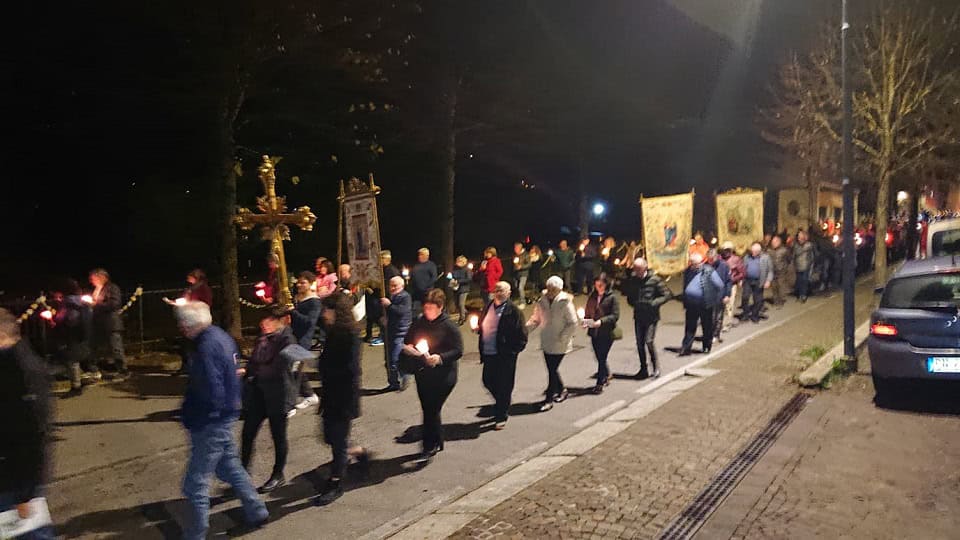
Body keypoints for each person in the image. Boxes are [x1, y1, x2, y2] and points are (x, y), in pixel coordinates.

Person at [175, 301, 267, 540]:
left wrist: (202, 416)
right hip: (224, 416)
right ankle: (257, 510)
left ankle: (195, 533)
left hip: (210, 421)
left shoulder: (205, 346)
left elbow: (210, 388)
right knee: (231, 467)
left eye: (182, 324)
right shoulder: (220, 337)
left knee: (196, 483)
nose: (180, 328)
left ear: (188, 325)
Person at [0, 308, 55, 540]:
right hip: (11, 477)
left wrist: (26, 494)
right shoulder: (9, 364)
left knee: (30, 534)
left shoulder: (23, 371)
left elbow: (34, 434)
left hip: (16, 482)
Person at [315, 293, 368, 505]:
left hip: (344, 395)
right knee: (329, 437)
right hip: (330, 393)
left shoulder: (350, 334)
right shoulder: (332, 331)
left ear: (337, 311)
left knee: (337, 441)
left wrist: (327, 368)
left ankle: (335, 483)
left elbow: (352, 368)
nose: (323, 314)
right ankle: (360, 453)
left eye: (326, 310)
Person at [401, 289, 463, 463]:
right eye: (425, 308)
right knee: (428, 408)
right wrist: (409, 348)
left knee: (431, 409)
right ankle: (438, 439)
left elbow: (458, 350)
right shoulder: (420, 322)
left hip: (444, 376)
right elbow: (408, 339)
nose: (427, 312)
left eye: (430, 308)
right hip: (424, 374)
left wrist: (440, 358)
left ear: (440, 307)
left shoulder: (449, 326)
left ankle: (429, 446)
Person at [240, 308, 297, 493]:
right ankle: (242, 473)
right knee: (248, 433)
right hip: (258, 394)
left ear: (283, 321)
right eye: (264, 320)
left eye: (270, 320)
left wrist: (257, 369)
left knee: (278, 436)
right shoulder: (264, 337)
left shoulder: (289, 341)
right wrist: (247, 371)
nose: (264, 324)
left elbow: (281, 368)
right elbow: (254, 361)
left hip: (277, 395)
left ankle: (278, 474)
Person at [477, 281, 528, 429]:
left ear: (508, 293)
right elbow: (483, 323)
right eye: (496, 290)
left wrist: (512, 352)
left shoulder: (513, 311)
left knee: (504, 385)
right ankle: (502, 401)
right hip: (488, 352)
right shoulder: (488, 306)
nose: (498, 293)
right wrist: (479, 329)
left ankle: (501, 415)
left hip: (504, 355)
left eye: (501, 290)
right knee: (487, 380)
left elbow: (522, 336)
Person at [525, 276, 577, 411]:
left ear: (559, 289)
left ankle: (548, 399)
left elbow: (572, 323)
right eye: (549, 288)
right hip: (547, 340)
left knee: (552, 370)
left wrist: (563, 337)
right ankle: (562, 390)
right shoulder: (542, 300)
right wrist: (525, 330)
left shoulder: (565, 302)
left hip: (560, 343)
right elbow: (536, 318)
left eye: (553, 289)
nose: (550, 291)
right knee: (552, 369)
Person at [622, 258, 671, 379]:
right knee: (639, 344)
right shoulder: (633, 280)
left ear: (644, 268)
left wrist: (654, 303)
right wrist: (633, 302)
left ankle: (656, 367)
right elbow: (630, 295)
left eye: (638, 269)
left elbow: (667, 294)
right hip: (638, 315)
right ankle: (643, 368)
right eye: (634, 269)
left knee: (649, 341)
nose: (636, 271)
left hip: (651, 316)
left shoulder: (654, 280)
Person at [289, 272, 322, 416]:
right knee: (296, 370)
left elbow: (309, 322)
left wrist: (293, 312)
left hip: (303, 339)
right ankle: (310, 395)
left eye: (303, 283)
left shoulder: (314, 302)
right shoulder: (298, 298)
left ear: (310, 284)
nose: (299, 285)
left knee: (293, 370)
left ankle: (290, 404)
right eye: (299, 282)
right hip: (293, 337)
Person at [680, 253, 725, 355]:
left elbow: (719, 284)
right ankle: (686, 347)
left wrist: (713, 295)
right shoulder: (688, 271)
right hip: (691, 304)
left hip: (705, 303)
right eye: (691, 263)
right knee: (690, 326)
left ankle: (706, 346)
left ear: (700, 263)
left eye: (694, 264)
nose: (692, 265)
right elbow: (685, 284)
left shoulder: (709, 271)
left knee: (706, 326)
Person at [583, 273, 619, 393]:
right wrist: (586, 321)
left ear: (606, 284)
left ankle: (600, 382)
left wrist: (602, 321)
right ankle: (606, 373)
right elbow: (588, 311)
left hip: (607, 332)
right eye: (597, 284)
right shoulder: (592, 296)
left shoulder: (612, 297)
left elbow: (615, 315)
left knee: (602, 356)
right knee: (598, 356)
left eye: (601, 284)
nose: (598, 287)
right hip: (594, 332)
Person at [88, 268, 127, 377]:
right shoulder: (96, 289)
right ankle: (95, 368)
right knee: (94, 346)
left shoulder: (112, 288)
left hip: (111, 323)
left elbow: (115, 304)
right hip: (98, 323)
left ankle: (122, 370)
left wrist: (96, 304)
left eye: (93, 278)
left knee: (116, 347)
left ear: (101, 277)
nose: (91, 281)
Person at [381, 276, 413, 391]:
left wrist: (389, 305)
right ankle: (393, 381)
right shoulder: (391, 297)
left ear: (402, 286)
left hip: (400, 330)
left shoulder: (405, 297)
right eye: (391, 285)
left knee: (394, 359)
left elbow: (401, 311)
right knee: (388, 359)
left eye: (395, 286)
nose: (392, 288)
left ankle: (402, 377)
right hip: (390, 330)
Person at [741, 242, 773, 323]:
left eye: (755, 252)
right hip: (748, 280)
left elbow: (770, 271)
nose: (753, 253)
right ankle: (745, 314)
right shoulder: (747, 257)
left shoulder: (766, 258)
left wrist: (768, 281)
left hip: (759, 281)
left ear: (759, 251)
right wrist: (741, 279)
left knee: (758, 300)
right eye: (752, 251)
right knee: (745, 297)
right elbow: (742, 269)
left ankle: (755, 315)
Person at [707, 249, 732, 345]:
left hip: (720, 295)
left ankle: (716, 335)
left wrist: (727, 295)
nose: (710, 261)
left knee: (717, 317)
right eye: (709, 259)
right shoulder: (706, 266)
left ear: (716, 257)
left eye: (711, 259)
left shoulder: (724, 266)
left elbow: (728, 281)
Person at [719, 241, 744, 331]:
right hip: (720, 285)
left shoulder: (736, 259)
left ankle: (727, 324)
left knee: (729, 304)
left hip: (731, 285)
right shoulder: (719, 258)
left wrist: (733, 279)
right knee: (720, 305)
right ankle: (719, 322)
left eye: (728, 250)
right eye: (724, 250)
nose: (726, 252)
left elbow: (742, 273)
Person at [410, 248, 438, 316]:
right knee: (415, 310)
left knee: (428, 309)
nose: (419, 256)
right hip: (416, 293)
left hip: (427, 292)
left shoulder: (431, 265)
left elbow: (434, 278)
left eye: (421, 254)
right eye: (419, 254)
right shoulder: (416, 265)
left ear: (427, 255)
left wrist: (426, 287)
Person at [767, 236, 790, 306]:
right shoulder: (769, 250)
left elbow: (789, 259)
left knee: (781, 285)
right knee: (774, 286)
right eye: (773, 242)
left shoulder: (784, 250)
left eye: (775, 242)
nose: (773, 243)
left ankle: (781, 300)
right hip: (772, 271)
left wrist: (785, 267)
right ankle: (775, 300)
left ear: (779, 242)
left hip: (781, 271)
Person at [793, 230, 815, 302]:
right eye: (799, 237)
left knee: (805, 281)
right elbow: (794, 254)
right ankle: (799, 294)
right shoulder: (796, 245)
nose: (800, 239)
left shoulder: (809, 245)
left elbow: (812, 256)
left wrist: (811, 265)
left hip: (806, 266)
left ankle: (803, 294)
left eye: (802, 237)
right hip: (798, 266)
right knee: (799, 281)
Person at [450, 255, 472, 325]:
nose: (457, 263)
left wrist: (459, 281)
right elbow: (451, 276)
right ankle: (465, 313)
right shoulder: (455, 269)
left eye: (459, 261)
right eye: (457, 261)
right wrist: (451, 279)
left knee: (461, 304)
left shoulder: (467, 270)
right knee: (457, 304)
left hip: (464, 289)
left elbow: (469, 279)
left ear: (463, 262)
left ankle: (461, 319)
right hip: (456, 288)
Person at [511, 242, 532, 307]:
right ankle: (521, 298)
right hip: (516, 274)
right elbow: (514, 264)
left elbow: (529, 264)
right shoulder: (515, 255)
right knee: (517, 287)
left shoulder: (526, 254)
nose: (515, 249)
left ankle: (523, 302)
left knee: (520, 287)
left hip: (523, 274)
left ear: (520, 248)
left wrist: (521, 267)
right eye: (514, 248)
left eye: (516, 248)